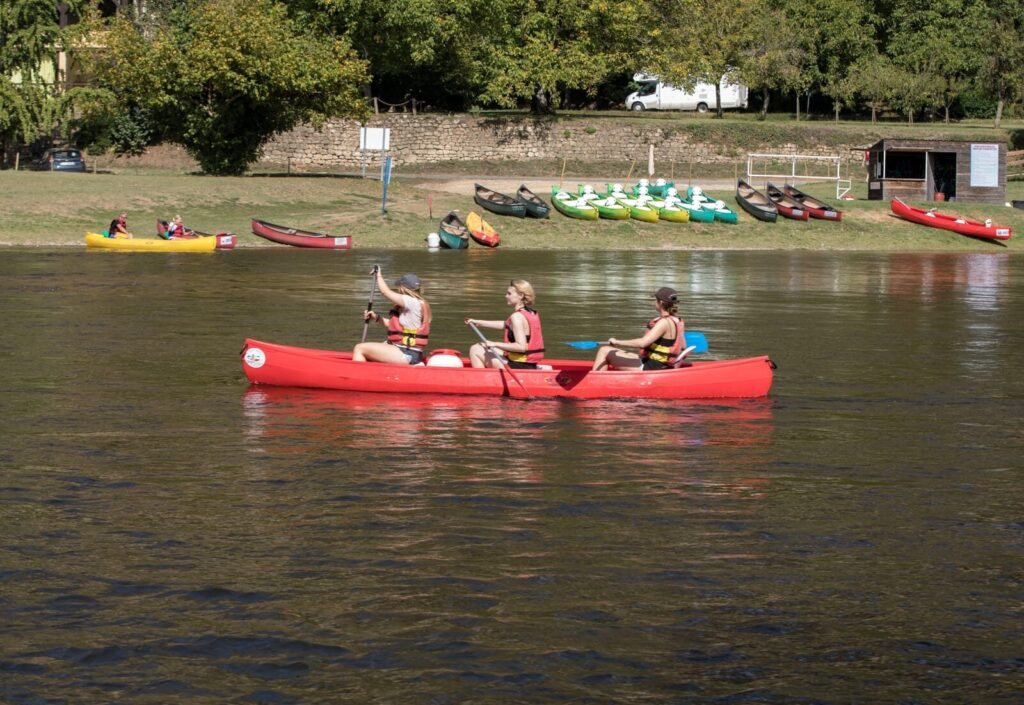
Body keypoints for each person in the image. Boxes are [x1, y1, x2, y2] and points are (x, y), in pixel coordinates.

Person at [591, 287, 685, 372]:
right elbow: (683, 347)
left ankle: (594, 383)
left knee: (604, 350)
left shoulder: (664, 322)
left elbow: (642, 343)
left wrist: (617, 342)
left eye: (655, 300)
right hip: (661, 365)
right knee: (616, 352)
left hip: (652, 367)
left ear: (660, 302)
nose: (654, 302)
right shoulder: (677, 321)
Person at [352, 269, 431, 365]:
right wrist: (376, 317)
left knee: (360, 348)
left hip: (406, 353)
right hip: (408, 352)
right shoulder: (416, 304)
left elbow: (385, 292)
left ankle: (359, 376)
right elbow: (391, 324)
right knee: (369, 351)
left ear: (403, 288)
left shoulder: (411, 302)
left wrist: (379, 276)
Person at [466, 279, 545, 369]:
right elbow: (506, 324)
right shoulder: (530, 312)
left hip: (518, 366)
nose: (506, 296)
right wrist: (478, 322)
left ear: (520, 295)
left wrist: (495, 344)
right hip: (528, 363)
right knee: (480, 346)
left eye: (509, 294)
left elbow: (521, 347)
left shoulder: (517, 316)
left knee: (475, 349)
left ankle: (482, 380)